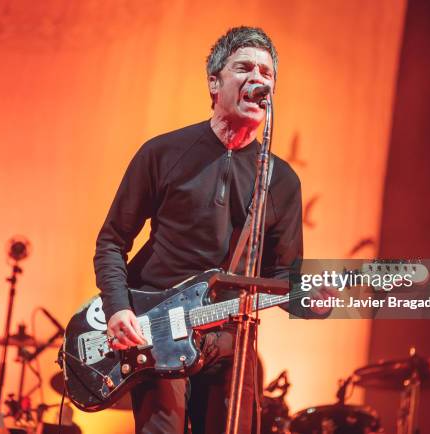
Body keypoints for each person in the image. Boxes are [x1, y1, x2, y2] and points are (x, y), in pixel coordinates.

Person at [94, 26, 329, 434]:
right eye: (244, 68)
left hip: (231, 336)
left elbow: (282, 280)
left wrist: (314, 300)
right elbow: (112, 241)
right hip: (157, 329)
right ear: (214, 83)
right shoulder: (162, 153)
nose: (259, 80)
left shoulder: (281, 180)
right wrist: (118, 307)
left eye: (267, 74)